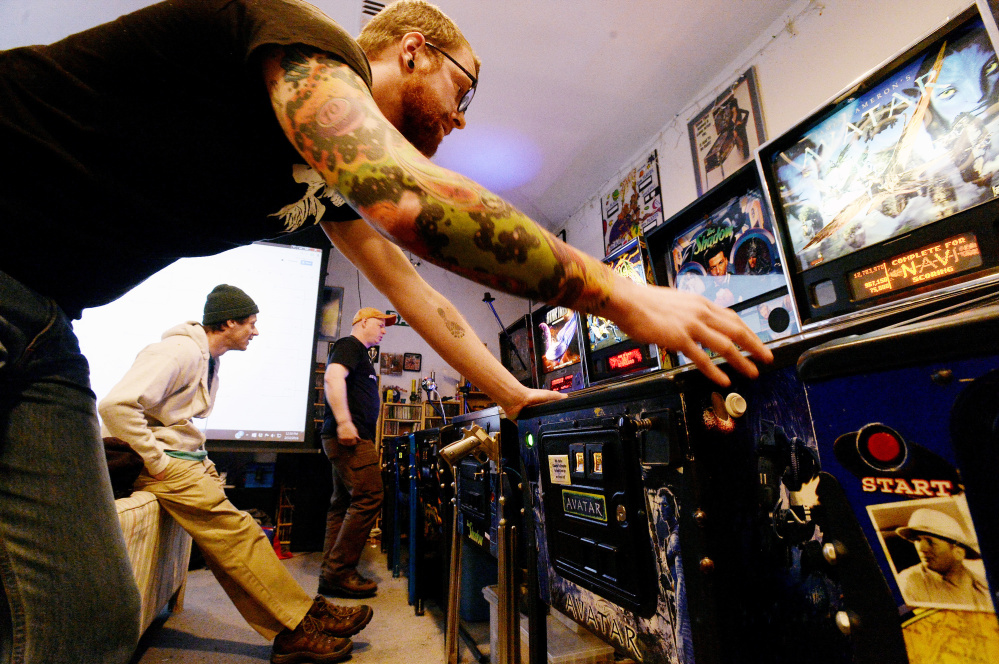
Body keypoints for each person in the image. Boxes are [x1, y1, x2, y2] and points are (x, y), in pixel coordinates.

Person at [0, 1, 771, 661]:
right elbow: (407, 198)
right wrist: (619, 294)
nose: (462, 117)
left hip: (43, 319)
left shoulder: (329, 187)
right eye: (460, 88)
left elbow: (421, 295)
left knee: (84, 618)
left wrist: (512, 395)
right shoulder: (306, 44)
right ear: (412, 49)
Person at [99, 285, 372, 662]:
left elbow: (174, 421)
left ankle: (297, 620)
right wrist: (158, 462)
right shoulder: (177, 350)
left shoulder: (207, 357)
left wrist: (200, 459)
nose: (255, 331)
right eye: (251, 323)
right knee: (241, 534)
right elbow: (116, 405)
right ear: (228, 322)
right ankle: (299, 624)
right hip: (159, 465)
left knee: (234, 543)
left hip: (184, 459)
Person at [318, 307, 397, 598]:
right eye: (380, 324)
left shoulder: (361, 354)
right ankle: (339, 572)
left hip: (349, 437)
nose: (384, 330)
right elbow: (332, 378)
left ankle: (331, 571)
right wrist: (344, 421)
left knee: (342, 503)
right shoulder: (349, 345)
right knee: (370, 495)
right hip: (349, 438)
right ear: (363, 322)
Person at [895, 507, 993, 611]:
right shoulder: (910, 582)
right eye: (917, 540)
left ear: (958, 552)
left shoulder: (983, 585)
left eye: (930, 541)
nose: (921, 548)